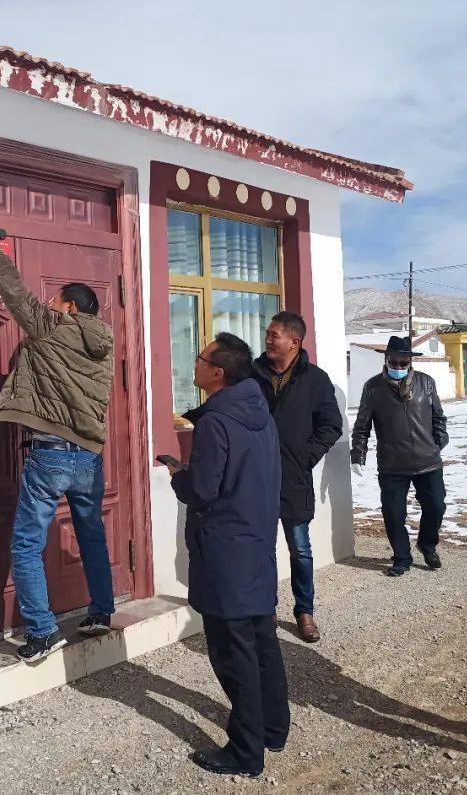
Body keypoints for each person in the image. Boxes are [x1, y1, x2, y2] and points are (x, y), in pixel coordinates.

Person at [0, 232, 116, 663]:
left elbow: (18, 299)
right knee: (92, 535)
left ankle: (41, 631)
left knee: (25, 543)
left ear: (69, 308)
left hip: (52, 451)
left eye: (54, 302)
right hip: (89, 456)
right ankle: (101, 611)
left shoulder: (56, 327)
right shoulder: (104, 344)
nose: (49, 307)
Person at [169, 333, 289, 779]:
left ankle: (245, 751)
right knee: (262, 643)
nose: (193, 363)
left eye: (199, 358)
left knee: (233, 654)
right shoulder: (258, 410)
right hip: (256, 542)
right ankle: (273, 730)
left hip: (226, 551)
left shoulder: (216, 422)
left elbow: (203, 490)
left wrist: (180, 475)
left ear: (216, 373)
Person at [251, 311, 342, 642]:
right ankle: (266, 610)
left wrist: (306, 456)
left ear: (294, 341)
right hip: (256, 478)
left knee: (300, 549)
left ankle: (305, 612)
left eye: (274, 334)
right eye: (267, 333)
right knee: (261, 549)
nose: (268, 339)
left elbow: (331, 425)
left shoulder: (315, 380)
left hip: (293, 478)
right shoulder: (252, 375)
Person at [350, 335, 449, 576]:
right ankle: (401, 557)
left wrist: (439, 440)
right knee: (394, 513)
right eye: (394, 362)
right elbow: (362, 425)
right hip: (392, 465)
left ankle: (427, 545)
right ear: (387, 360)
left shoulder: (426, 383)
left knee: (435, 506)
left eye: (403, 363)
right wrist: (357, 455)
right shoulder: (373, 388)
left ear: (410, 363)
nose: (398, 368)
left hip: (428, 462)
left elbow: (438, 416)